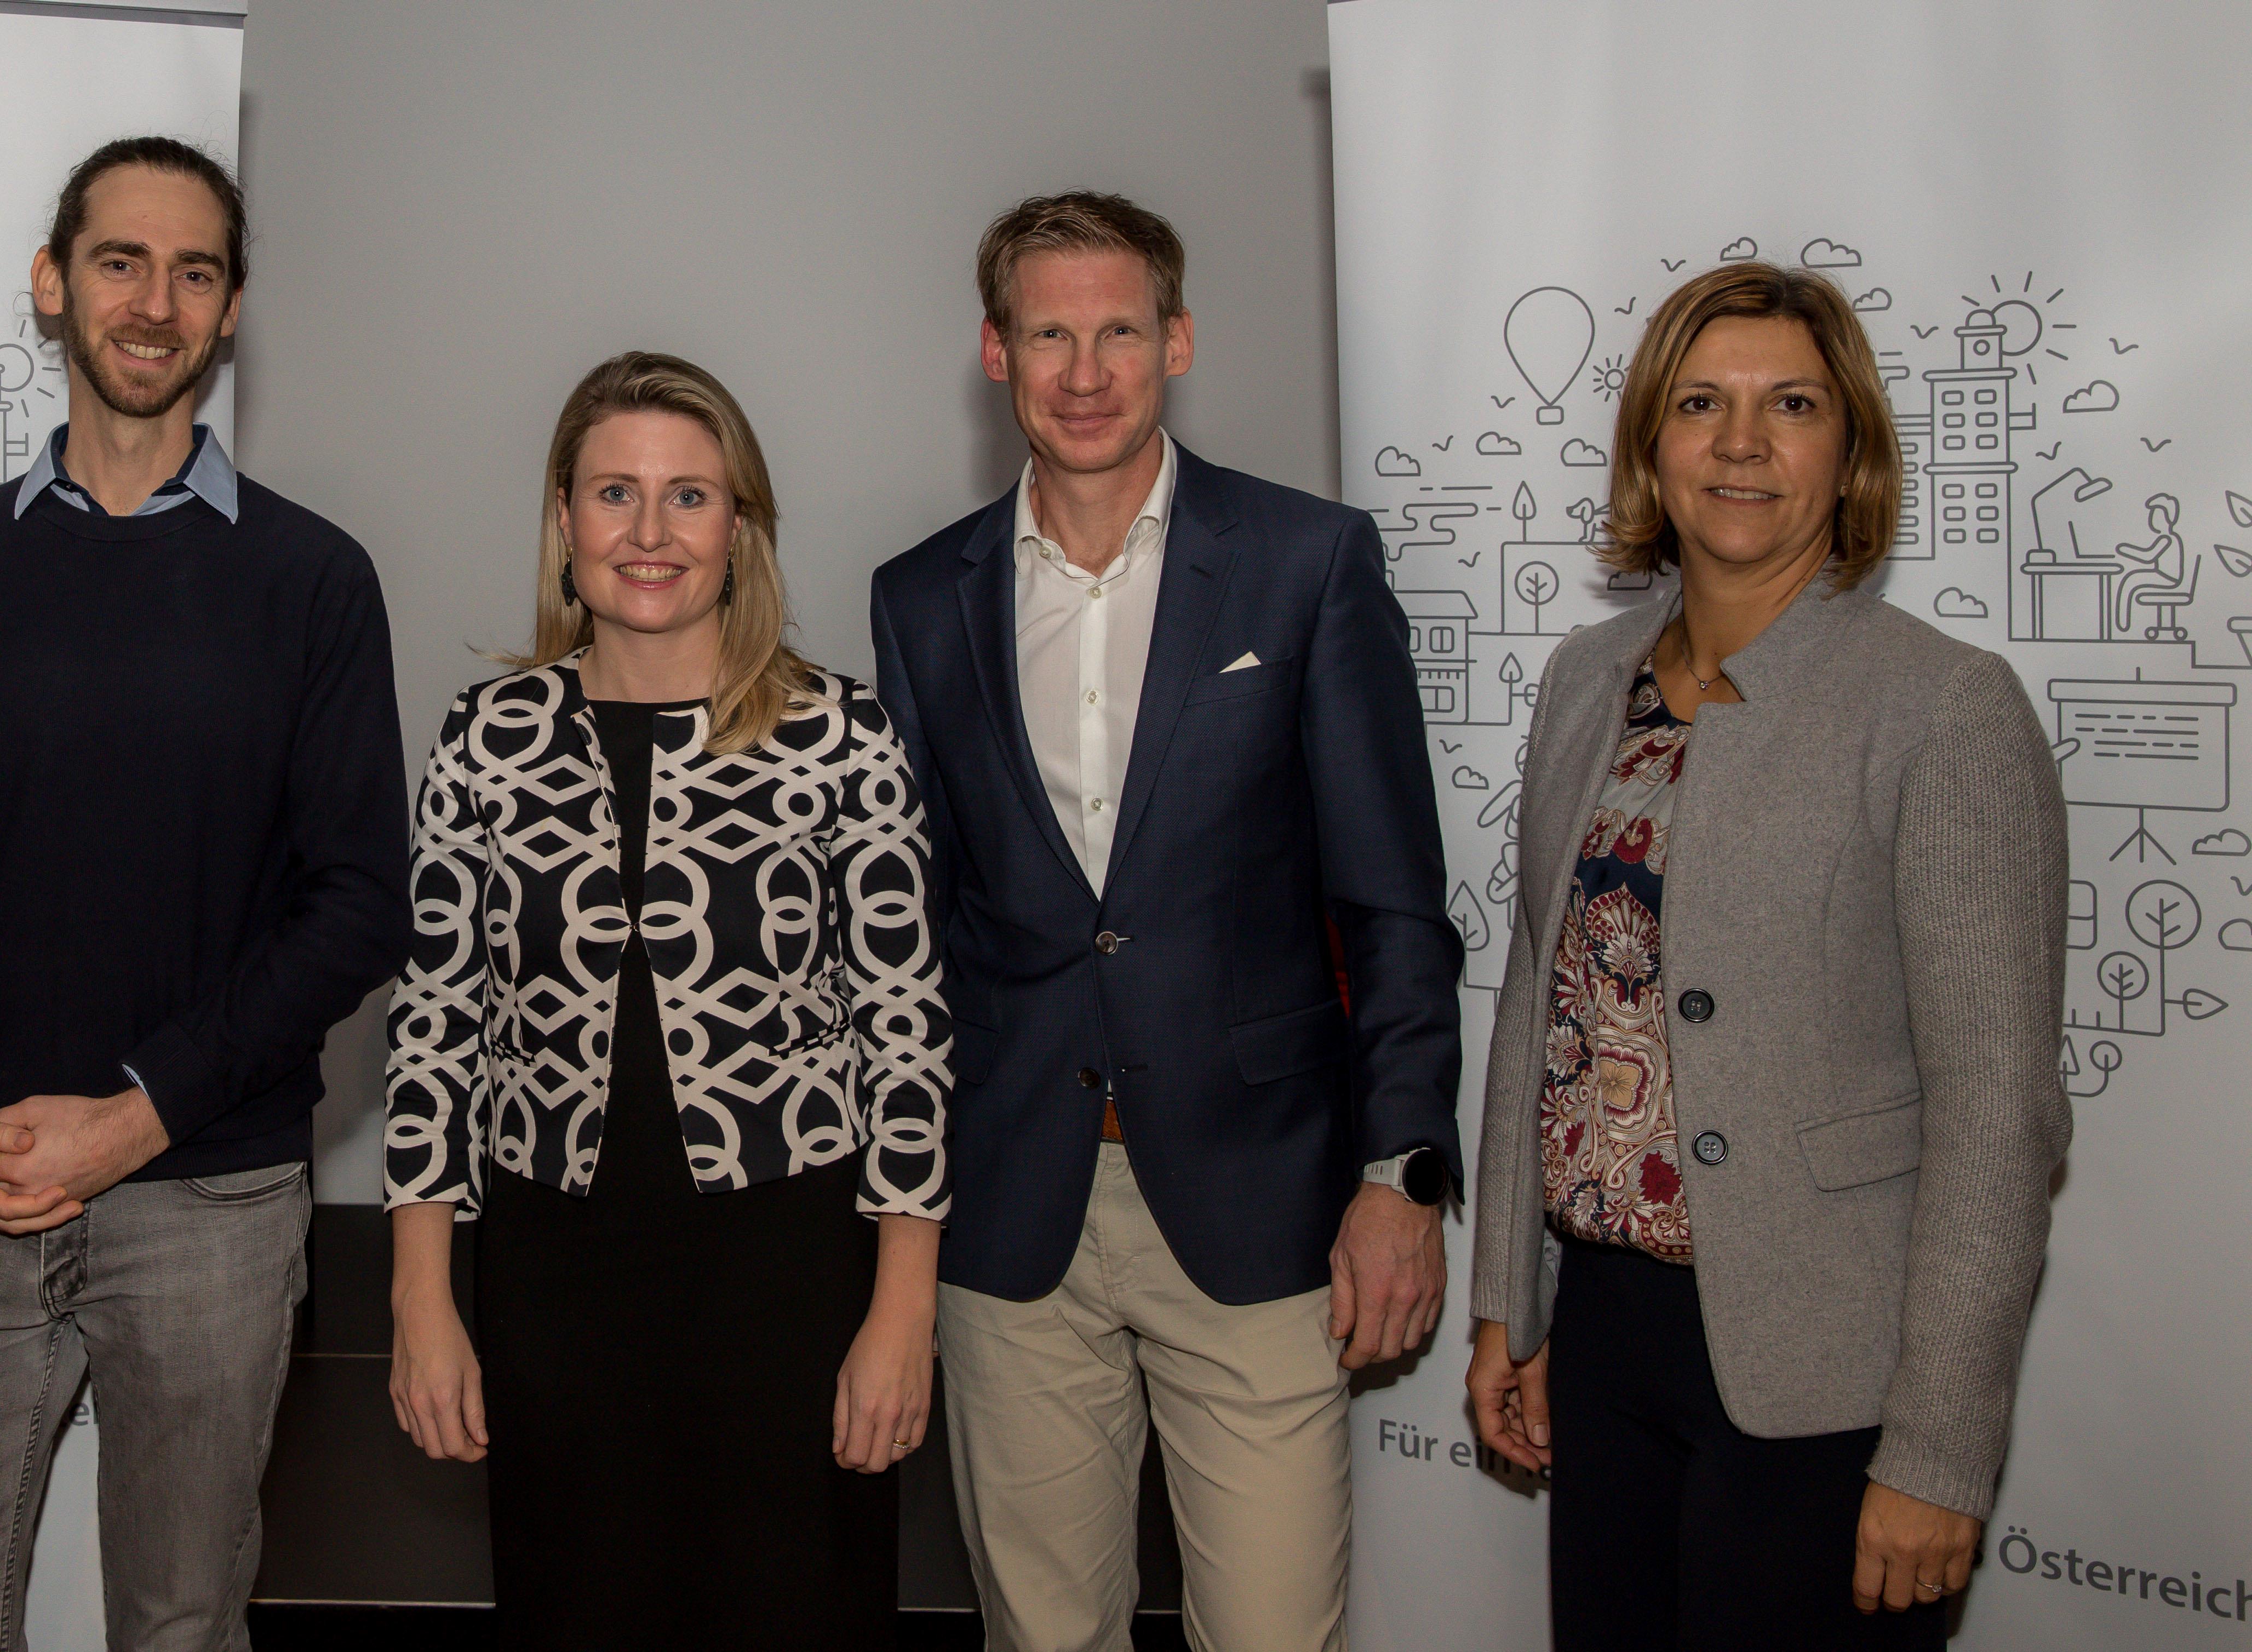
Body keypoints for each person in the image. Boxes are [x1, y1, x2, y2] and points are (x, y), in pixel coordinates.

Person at [0, 135, 410, 1652]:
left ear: (232, 310)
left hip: (208, 1203)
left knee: (182, 1625)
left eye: (194, 271)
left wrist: (141, 1111)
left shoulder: (315, 580)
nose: (155, 301)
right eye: (121, 261)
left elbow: (355, 902)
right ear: (52, 284)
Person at [869, 192, 1461, 1651]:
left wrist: (1403, 1168)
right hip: (1012, 1210)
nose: (1086, 371)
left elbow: (1391, 905)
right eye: (1049, 333)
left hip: (1266, 1203)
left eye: (1119, 331)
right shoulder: (918, 598)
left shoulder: (1307, 563)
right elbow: (910, 927)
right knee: (1042, 1633)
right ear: (994, 354)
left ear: (1177, 340)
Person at [1464, 262, 2071, 1649]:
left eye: (1789, 404)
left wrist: (1939, 1451)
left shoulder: (1943, 709)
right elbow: (1539, 1010)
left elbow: (1999, 1114)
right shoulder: (1584, 679)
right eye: (1701, 403)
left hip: (1829, 1367)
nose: (1741, 442)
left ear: (1847, 447)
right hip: (1609, 1337)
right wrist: (1512, 1296)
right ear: (1651, 445)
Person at [385, 350, 952, 1651]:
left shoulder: (839, 736)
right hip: (555, 1282)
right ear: (565, 523)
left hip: (792, 1280)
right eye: (615, 494)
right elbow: (434, 1029)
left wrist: (902, 1310)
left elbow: (905, 1031)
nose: (650, 533)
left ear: (740, 527)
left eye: (690, 496)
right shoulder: (487, 737)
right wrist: (422, 1299)